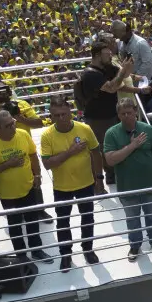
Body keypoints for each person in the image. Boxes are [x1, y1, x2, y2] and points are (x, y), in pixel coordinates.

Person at [0, 109, 50, 264]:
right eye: (7, 126)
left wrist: (37, 175)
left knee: (32, 221)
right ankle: (21, 255)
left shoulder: (23, 134)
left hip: (28, 187)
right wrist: (7, 164)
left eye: (13, 123)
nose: (13, 127)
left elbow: (32, 154)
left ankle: (37, 250)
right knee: (15, 225)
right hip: (8, 193)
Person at [41, 97, 102, 271]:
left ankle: (88, 249)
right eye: (56, 115)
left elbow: (96, 153)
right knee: (63, 222)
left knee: (87, 218)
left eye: (64, 114)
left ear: (70, 112)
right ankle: (66, 254)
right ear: (51, 116)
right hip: (62, 187)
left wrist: (99, 179)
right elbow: (47, 164)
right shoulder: (47, 135)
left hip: (85, 183)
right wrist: (70, 152)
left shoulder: (84, 129)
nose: (61, 118)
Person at [103, 97, 152, 259]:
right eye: (123, 113)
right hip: (127, 187)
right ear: (118, 115)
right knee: (132, 219)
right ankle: (135, 245)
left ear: (136, 113)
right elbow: (110, 160)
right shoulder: (111, 134)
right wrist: (132, 146)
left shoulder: (149, 130)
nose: (127, 116)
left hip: (150, 184)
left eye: (130, 113)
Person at [79, 41, 136, 185]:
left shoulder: (107, 68)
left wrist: (127, 65)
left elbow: (124, 76)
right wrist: (123, 71)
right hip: (98, 117)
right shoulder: (90, 74)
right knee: (105, 146)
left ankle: (118, 171)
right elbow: (111, 87)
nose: (110, 56)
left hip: (112, 113)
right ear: (98, 55)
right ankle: (109, 175)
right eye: (107, 53)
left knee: (117, 142)